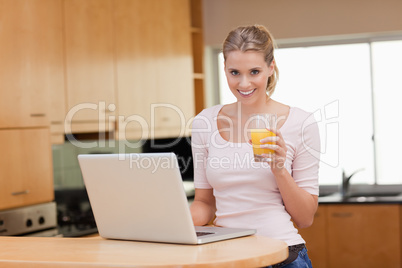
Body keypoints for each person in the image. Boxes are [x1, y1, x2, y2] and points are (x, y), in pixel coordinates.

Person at [190, 25, 320, 268]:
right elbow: (205, 204)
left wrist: (280, 169)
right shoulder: (204, 122)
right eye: (235, 72)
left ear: (271, 67)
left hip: (283, 256)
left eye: (254, 71)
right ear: (225, 70)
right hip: (227, 256)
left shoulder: (301, 123)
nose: (244, 83)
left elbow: (304, 219)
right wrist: (169, 222)